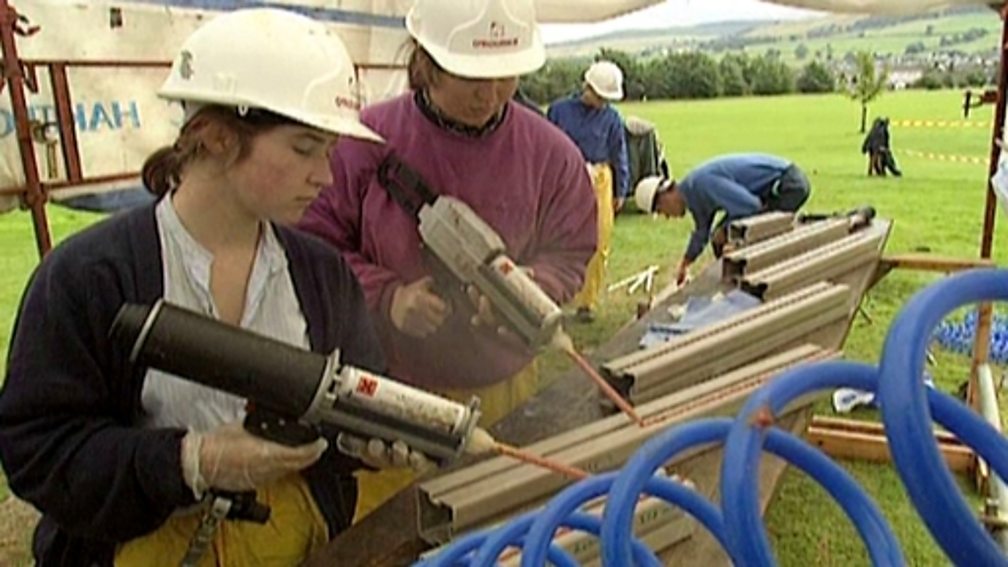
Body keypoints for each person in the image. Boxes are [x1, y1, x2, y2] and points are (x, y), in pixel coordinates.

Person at [0, 9, 416, 566]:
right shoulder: (89, 278)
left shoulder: (322, 274)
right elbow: (39, 452)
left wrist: (364, 444)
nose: (325, 175)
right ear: (216, 137)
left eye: (330, 151)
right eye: (303, 148)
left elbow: (353, 399)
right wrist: (189, 462)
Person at [299, 0, 597, 517]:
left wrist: (530, 287)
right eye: (473, 76)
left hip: (506, 391)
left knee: (501, 528)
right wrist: (387, 297)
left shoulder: (552, 154)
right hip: (388, 403)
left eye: (506, 76)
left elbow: (571, 251)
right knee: (395, 535)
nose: (492, 93)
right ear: (427, 61)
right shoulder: (362, 143)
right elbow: (312, 248)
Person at [634, 153, 811, 285]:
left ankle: (761, 286)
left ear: (666, 193)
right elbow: (702, 233)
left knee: (741, 237)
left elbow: (750, 206)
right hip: (775, 188)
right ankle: (738, 284)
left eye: (660, 210)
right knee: (720, 239)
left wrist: (726, 232)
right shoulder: (692, 194)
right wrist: (685, 264)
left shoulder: (701, 184)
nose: (666, 216)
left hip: (789, 185)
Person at [546, 60, 630, 322]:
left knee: (599, 240)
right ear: (589, 88)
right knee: (556, 237)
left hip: (600, 179)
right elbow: (546, 147)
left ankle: (587, 303)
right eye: (601, 96)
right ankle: (553, 297)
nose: (604, 102)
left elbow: (620, 153)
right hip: (565, 178)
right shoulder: (559, 111)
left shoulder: (612, 118)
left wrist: (620, 189)